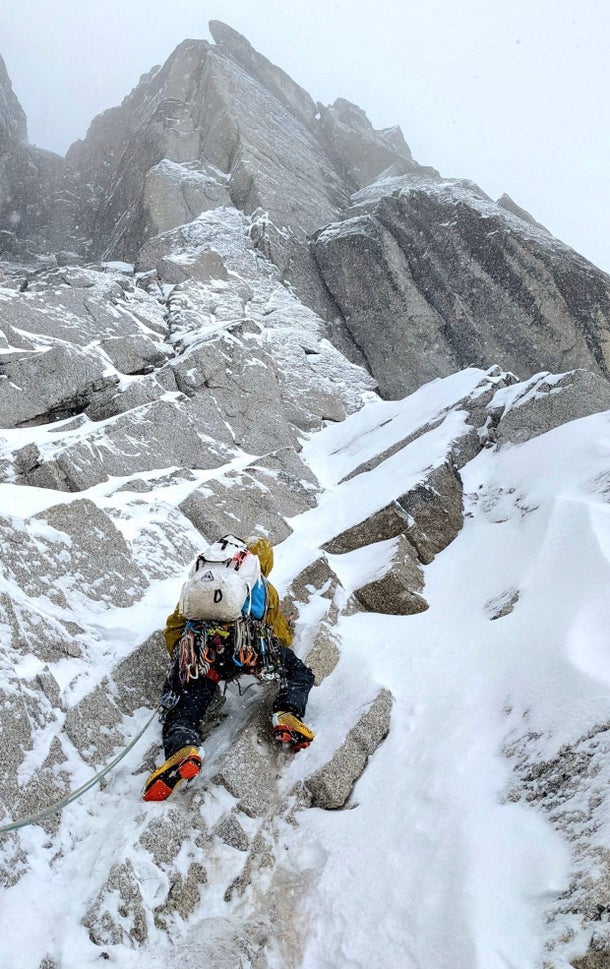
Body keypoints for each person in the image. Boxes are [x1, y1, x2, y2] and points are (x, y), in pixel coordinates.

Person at [143, 535, 315, 801]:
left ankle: (183, 747)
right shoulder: (264, 589)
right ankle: (286, 712)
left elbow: (174, 628)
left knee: (184, 711)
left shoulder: (205, 579)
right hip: (246, 651)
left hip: (202, 653)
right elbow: (281, 638)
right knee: (299, 673)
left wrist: (186, 662)